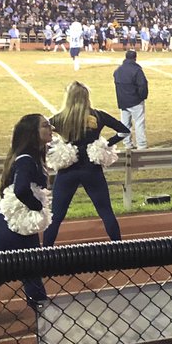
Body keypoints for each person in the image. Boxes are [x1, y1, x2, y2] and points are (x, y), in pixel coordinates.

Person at [43, 83, 128, 247]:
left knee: (56, 216)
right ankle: (120, 249)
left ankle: (44, 253)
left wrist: (53, 147)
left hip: (68, 170)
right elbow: (124, 131)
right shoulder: (99, 116)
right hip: (92, 170)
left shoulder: (59, 118)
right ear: (87, 97)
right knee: (105, 212)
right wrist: (105, 144)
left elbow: (39, 135)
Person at [0, 114, 52, 309]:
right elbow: (20, 189)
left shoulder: (28, 156)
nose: (51, 127)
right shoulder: (27, 160)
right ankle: (44, 312)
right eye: (46, 125)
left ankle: (43, 310)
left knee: (18, 271)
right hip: (12, 229)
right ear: (32, 133)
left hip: (7, 226)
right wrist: (37, 207)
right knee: (30, 269)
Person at [113, 49, 149, 150]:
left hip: (123, 102)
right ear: (135, 58)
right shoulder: (137, 70)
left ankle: (127, 144)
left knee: (125, 124)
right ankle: (141, 145)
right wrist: (142, 97)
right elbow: (143, 86)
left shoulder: (118, 70)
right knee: (139, 123)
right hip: (135, 101)